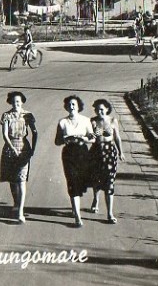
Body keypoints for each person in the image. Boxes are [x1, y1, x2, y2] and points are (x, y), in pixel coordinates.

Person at [55, 95, 95, 227]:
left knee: (80, 182)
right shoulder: (62, 122)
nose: (71, 107)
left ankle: (75, 207)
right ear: (66, 107)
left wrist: (84, 138)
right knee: (72, 182)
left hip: (82, 153)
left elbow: (93, 138)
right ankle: (78, 217)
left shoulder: (86, 120)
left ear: (79, 107)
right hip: (69, 154)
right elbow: (57, 141)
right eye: (69, 104)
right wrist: (65, 139)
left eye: (74, 104)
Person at [0, 91, 37, 224]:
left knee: (21, 180)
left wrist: (33, 148)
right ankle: (16, 202)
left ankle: (20, 212)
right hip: (9, 148)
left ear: (22, 102)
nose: (16, 104)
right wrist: (12, 147)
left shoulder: (28, 115)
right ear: (10, 102)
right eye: (14, 101)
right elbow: (5, 134)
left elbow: (35, 132)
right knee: (12, 179)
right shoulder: (6, 115)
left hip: (23, 148)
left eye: (18, 101)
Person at [88, 99, 125, 224]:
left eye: (101, 109)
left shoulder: (113, 121)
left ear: (107, 109)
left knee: (109, 182)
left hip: (110, 153)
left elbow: (117, 137)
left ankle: (110, 213)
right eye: (97, 109)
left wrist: (121, 152)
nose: (99, 111)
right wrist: (92, 133)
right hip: (96, 153)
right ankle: (95, 199)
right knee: (96, 179)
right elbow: (89, 136)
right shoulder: (93, 121)